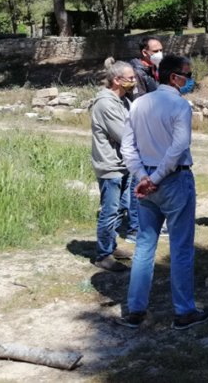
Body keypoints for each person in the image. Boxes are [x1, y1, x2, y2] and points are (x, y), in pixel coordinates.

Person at [116, 54, 208, 330]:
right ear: (174, 77)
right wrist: (155, 177)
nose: (190, 80)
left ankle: (135, 310)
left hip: (147, 180)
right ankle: (184, 311)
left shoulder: (139, 103)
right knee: (181, 248)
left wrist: (142, 176)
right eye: (187, 75)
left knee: (144, 246)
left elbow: (127, 146)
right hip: (173, 179)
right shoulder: (179, 106)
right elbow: (178, 148)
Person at [90, 58, 136, 272]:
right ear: (117, 80)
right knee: (109, 211)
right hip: (110, 166)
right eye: (130, 78)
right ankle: (103, 255)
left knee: (121, 208)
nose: (134, 81)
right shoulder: (106, 103)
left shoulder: (124, 101)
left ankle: (111, 245)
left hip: (124, 164)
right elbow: (125, 135)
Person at [125, 36, 167, 242]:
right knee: (139, 179)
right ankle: (135, 227)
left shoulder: (152, 70)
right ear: (145, 52)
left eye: (161, 49)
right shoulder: (138, 72)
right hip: (142, 130)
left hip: (154, 130)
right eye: (156, 50)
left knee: (153, 177)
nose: (160, 53)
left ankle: (152, 222)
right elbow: (140, 103)